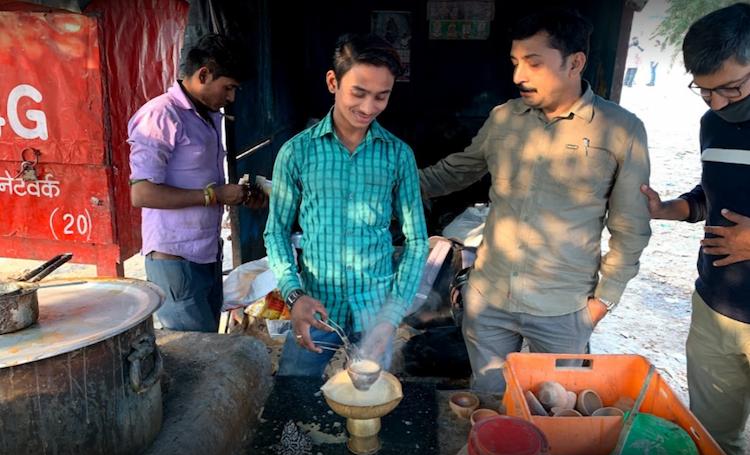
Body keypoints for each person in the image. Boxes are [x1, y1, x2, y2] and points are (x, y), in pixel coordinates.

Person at [420, 9, 651, 393]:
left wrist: (602, 303)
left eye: (533, 63)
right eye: (515, 62)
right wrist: (390, 184)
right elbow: (456, 171)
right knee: (492, 401)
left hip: (563, 311)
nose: (518, 76)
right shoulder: (505, 118)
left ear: (575, 62)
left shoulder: (621, 130)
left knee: (553, 411)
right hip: (489, 302)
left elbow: (630, 229)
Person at [264, 33, 428, 377]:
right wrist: (294, 296)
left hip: (376, 315)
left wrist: (392, 315)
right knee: (296, 395)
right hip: (316, 310)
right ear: (332, 81)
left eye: (381, 97)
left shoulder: (398, 155)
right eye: (359, 93)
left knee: (370, 406)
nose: (369, 107)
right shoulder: (297, 153)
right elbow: (276, 231)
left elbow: (416, 242)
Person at [640, 4, 750, 455]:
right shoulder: (713, 124)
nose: (719, 103)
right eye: (704, 92)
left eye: (732, 88)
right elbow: (715, 192)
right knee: (714, 439)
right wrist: (674, 208)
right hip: (716, 307)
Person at [128, 34, 266, 332]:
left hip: (207, 253)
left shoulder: (207, 115)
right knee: (193, 352)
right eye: (228, 87)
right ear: (203, 74)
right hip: (174, 259)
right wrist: (213, 195)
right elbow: (141, 193)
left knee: (207, 343)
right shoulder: (161, 115)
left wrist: (238, 195)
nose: (231, 97)